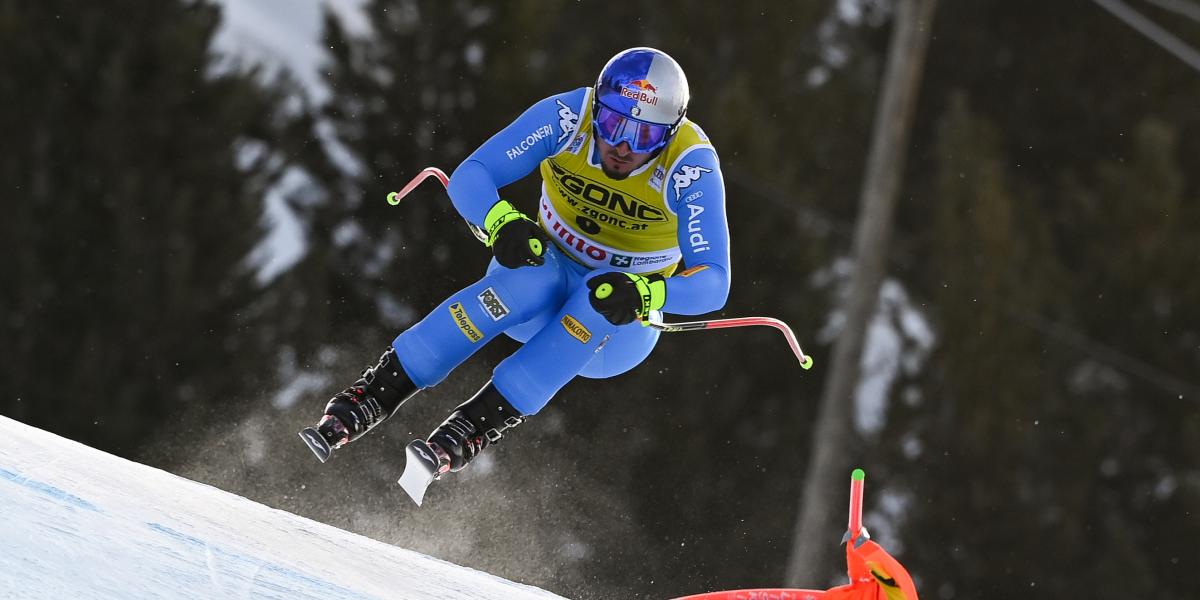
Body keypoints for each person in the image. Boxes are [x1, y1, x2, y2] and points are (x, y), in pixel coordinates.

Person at [302, 47, 730, 482]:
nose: (622, 146)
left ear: (670, 135)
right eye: (613, 123)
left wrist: (648, 292)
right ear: (597, 108)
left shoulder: (690, 167)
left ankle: (472, 429)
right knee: (533, 276)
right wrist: (500, 222)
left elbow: (715, 282)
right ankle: (373, 393)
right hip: (542, 284)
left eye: (644, 137)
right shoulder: (568, 117)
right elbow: (472, 173)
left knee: (598, 292)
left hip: (616, 325)